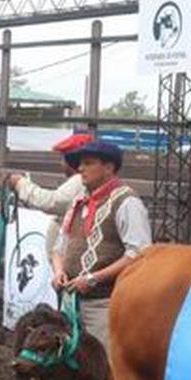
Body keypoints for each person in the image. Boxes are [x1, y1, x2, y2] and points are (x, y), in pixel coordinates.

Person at [50, 140, 152, 352]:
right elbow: (60, 247)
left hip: (105, 303)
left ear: (109, 168)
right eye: (80, 164)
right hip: (71, 299)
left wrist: (94, 278)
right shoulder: (79, 201)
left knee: (103, 363)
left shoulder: (126, 202)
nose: (80, 169)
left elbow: (140, 253)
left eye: (88, 163)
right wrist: (58, 271)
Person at [4, 132, 93, 247]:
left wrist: (20, 184)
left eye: (64, 159)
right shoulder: (80, 181)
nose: (61, 164)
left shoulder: (79, 180)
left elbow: (52, 202)